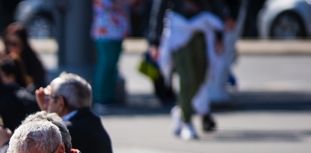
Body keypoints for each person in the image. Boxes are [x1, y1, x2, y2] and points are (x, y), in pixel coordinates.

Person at [148, 0, 229, 139]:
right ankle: (187, 122)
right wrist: (154, 40)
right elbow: (159, 8)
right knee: (187, 80)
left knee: (200, 78)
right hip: (180, 33)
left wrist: (219, 35)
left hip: (201, 31)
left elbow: (216, 5)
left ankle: (181, 111)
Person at [33, 72, 114, 153]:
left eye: (49, 97)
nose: (46, 102)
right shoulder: (93, 123)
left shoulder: (66, 132)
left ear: (60, 103)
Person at [91, 0, 132, 107]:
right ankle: (100, 98)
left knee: (113, 66)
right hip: (105, 31)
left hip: (118, 31)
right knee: (105, 65)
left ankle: (109, 97)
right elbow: (106, 4)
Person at [2, 22, 47, 90]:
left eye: (14, 44)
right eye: (7, 43)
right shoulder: (3, 61)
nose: (10, 48)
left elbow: (38, 86)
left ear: (23, 44)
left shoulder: (33, 63)